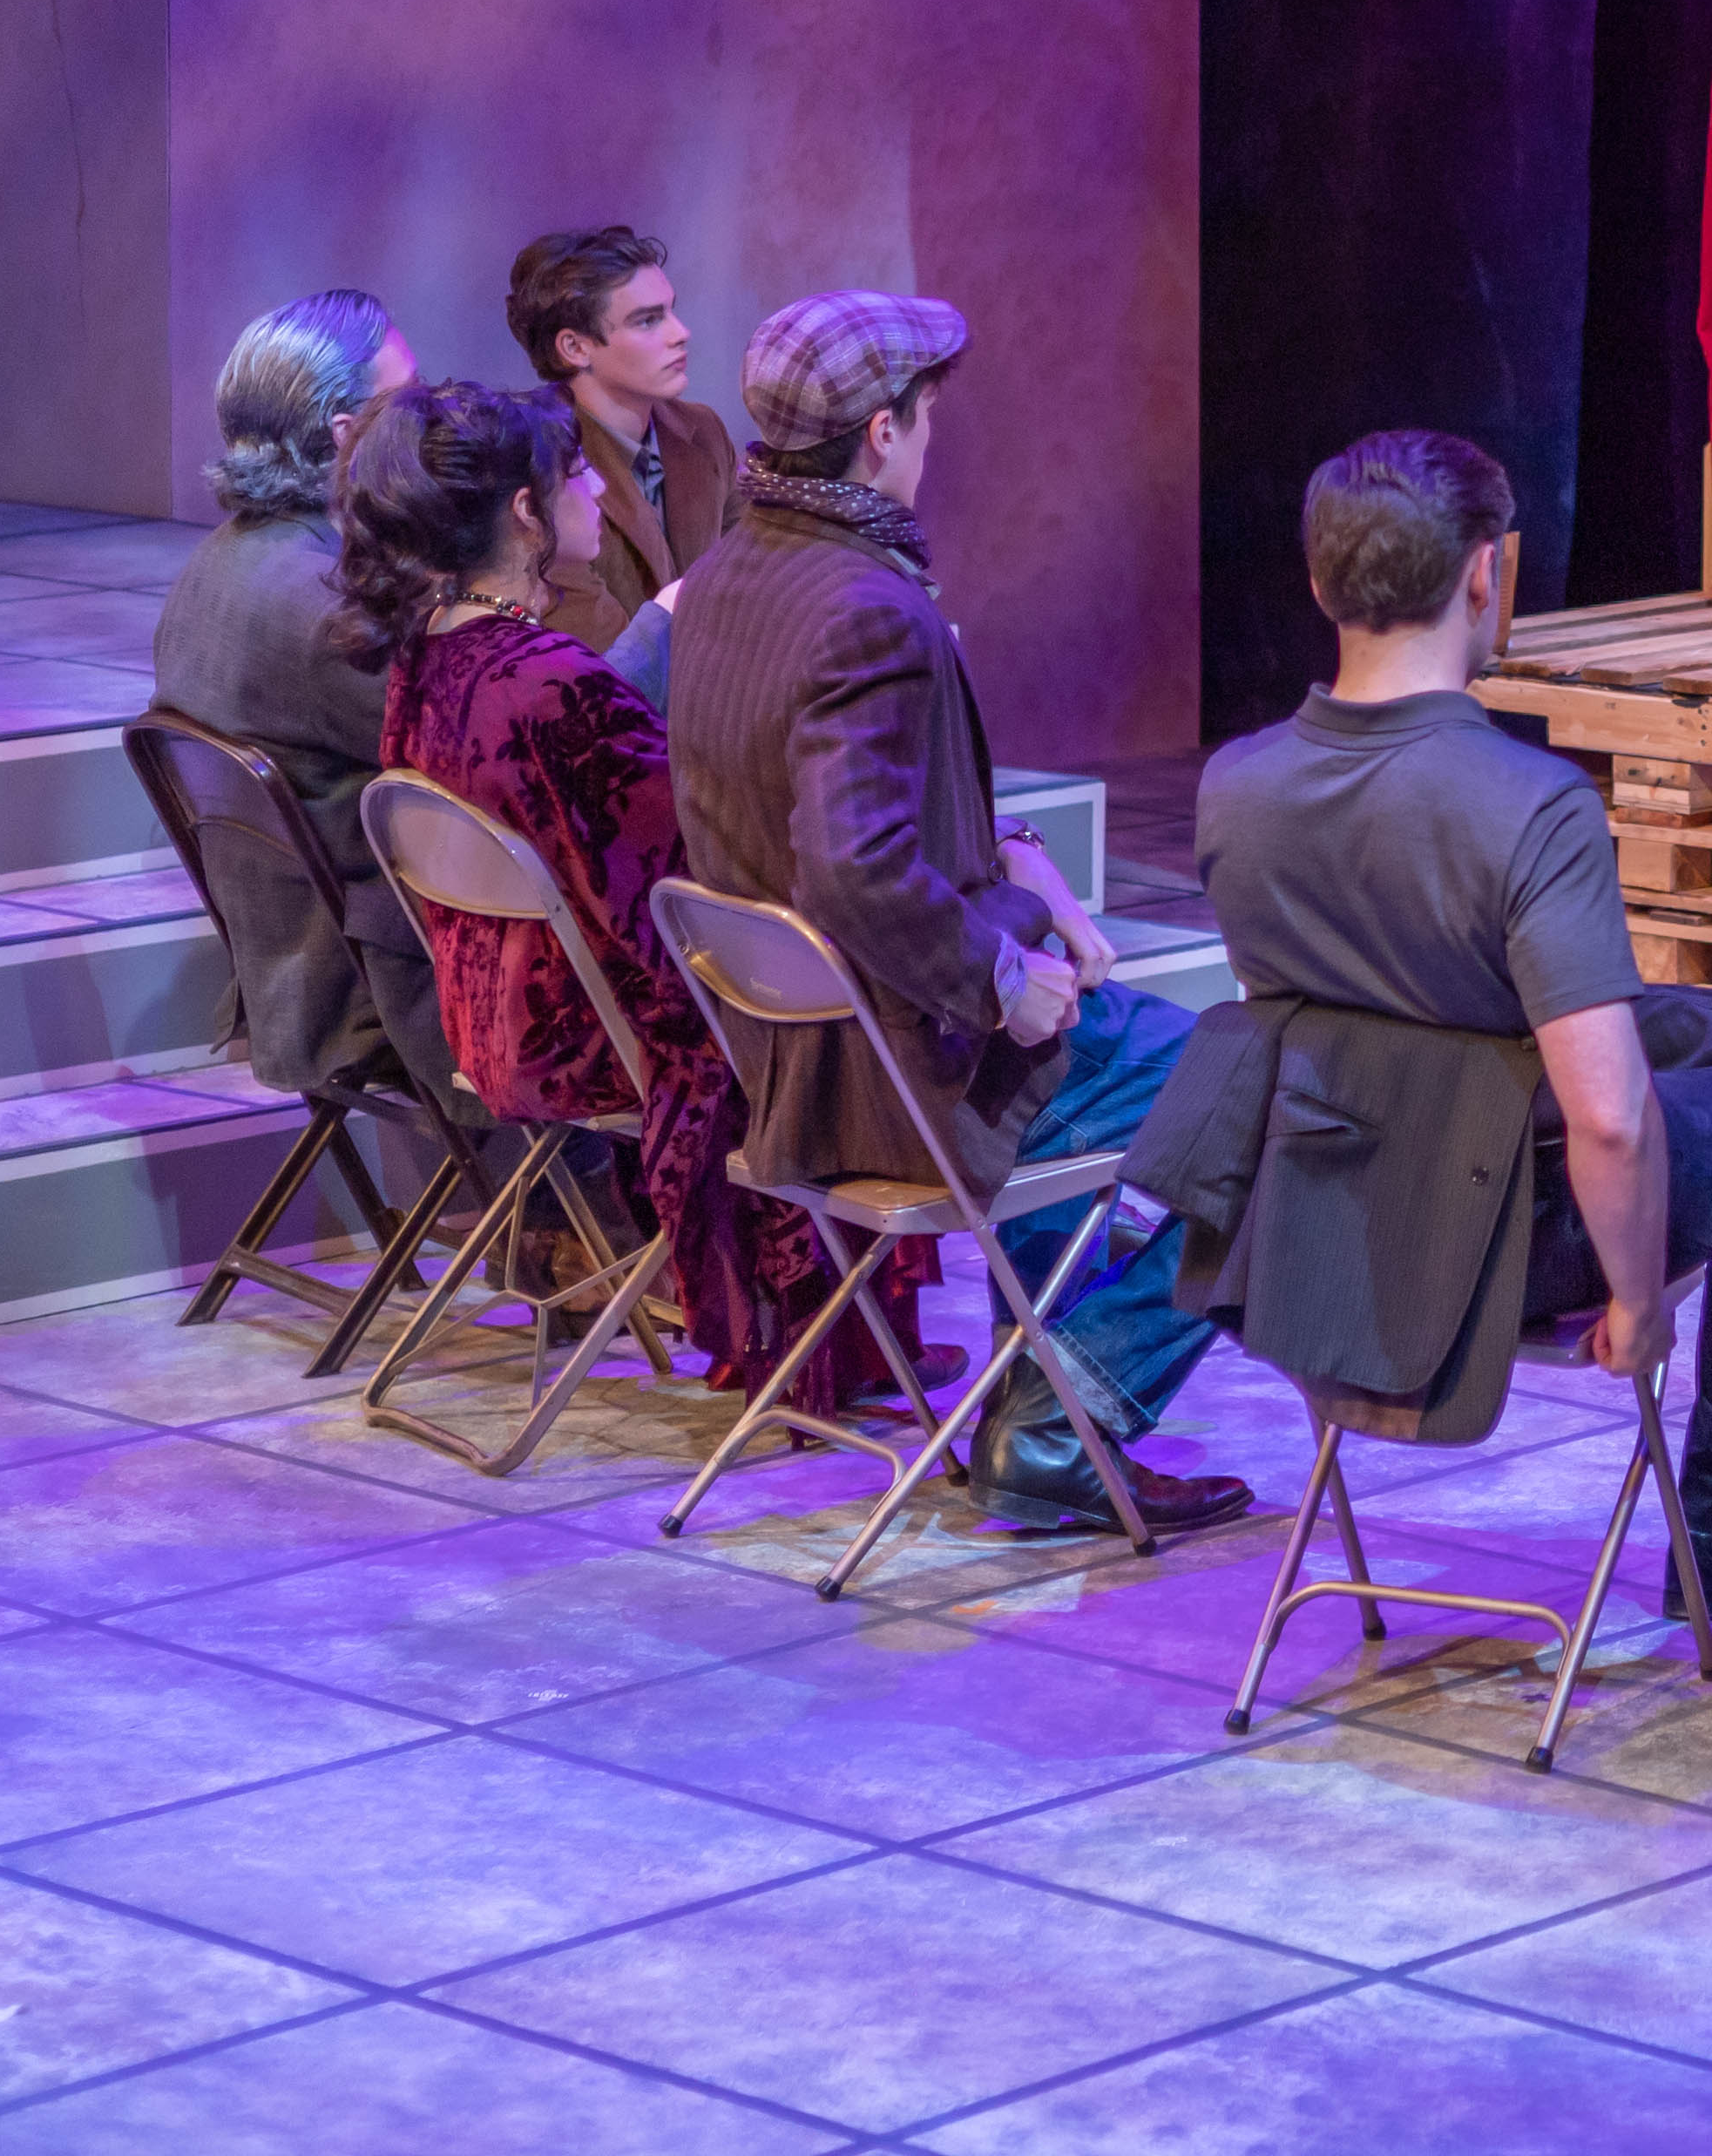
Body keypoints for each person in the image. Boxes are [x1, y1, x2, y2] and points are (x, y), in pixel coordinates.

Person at [1195, 431, 1712, 1617]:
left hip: (1325, 1203)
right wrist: (1638, 1306)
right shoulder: (1528, 806)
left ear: (1321, 581)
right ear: (1487, 575)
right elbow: (1608, 1123)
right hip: (1504, 1228)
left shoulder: (1234, 782)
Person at [664, 289, 1253, 1537]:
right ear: (883, 431)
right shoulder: (867, 610)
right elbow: (853, 871)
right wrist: (1000, 975)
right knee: (1276, 1102)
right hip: (899, 1075)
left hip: (797, 1057)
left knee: (1108, 1057)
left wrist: (1026, 885)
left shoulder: (724, 576)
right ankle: (1057, 1410)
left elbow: (840, 823)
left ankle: (1050, 1421)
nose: (934, 439)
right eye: (929, 416)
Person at [333, 380, 910, 1415]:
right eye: (576, 474)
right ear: (524, 510)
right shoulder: (549, 684)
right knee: (860, 969)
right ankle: (848, 1338)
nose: (598, 488)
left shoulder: (430, 660)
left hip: (491, 1019)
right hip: (592, 1036)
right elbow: (690, 896)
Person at [150, 290, 476, 1141]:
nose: (428, 419)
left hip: (291, 961)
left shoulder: (217, 563)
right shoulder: (326, 605)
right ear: (345, 435)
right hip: (373, 985)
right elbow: (486, 763)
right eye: (409, 400)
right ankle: (576, 1229)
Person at [507, 224, 730, 657]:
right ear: (575, 347)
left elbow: (749, 578)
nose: (680, 332)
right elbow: (608, 663)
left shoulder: (702, 430)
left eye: (671, 311)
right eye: (648, 320)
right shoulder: (539, 462)